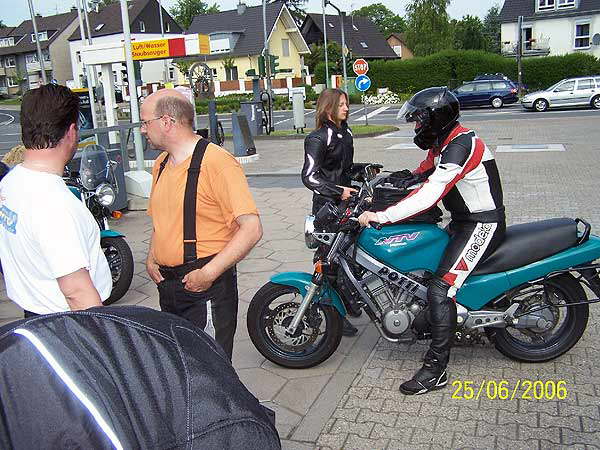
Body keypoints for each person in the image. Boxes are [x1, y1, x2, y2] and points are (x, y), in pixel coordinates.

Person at [358, 87, 506, 395]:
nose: (416, 126)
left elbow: (430, 193)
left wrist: (382, 216)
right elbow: (418, 176)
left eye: (418, 120)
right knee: (425, 272)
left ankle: (436, 370)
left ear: (434, 118)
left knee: (441, 288)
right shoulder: (444, 145)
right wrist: (378, 191)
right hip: (463, 223)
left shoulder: (461, 146)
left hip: (482, 225)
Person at [143, 89, 262, 361]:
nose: (142, 129)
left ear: (166, 121)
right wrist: (151, 257)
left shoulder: (217, 162)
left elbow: (252, 228)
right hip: (169, 287)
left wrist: (208, 273)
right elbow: (161, 219)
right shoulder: (161, 164)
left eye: (145, 122)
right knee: (181, 364)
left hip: (205, 287)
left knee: (210, 368)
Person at [0, 84, 111, 316]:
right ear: (71, 132)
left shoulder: (11, 183)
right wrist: (104, 335)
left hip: (35, 312)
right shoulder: (54, 204)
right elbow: (76, 293)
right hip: (67, 321)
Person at [301, 88, 360, 337]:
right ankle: (329, 313)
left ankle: (345, 299)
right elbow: (309, 177)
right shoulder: (318, 138)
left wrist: (365, 171)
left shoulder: (345, 133)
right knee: (327, 260)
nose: (346, 108)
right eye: (342, 104)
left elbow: (343, 168)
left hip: (346, 204)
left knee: (347, 256)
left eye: (346, 104)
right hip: (327, 206)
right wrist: (338, 191)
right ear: (329, 108)